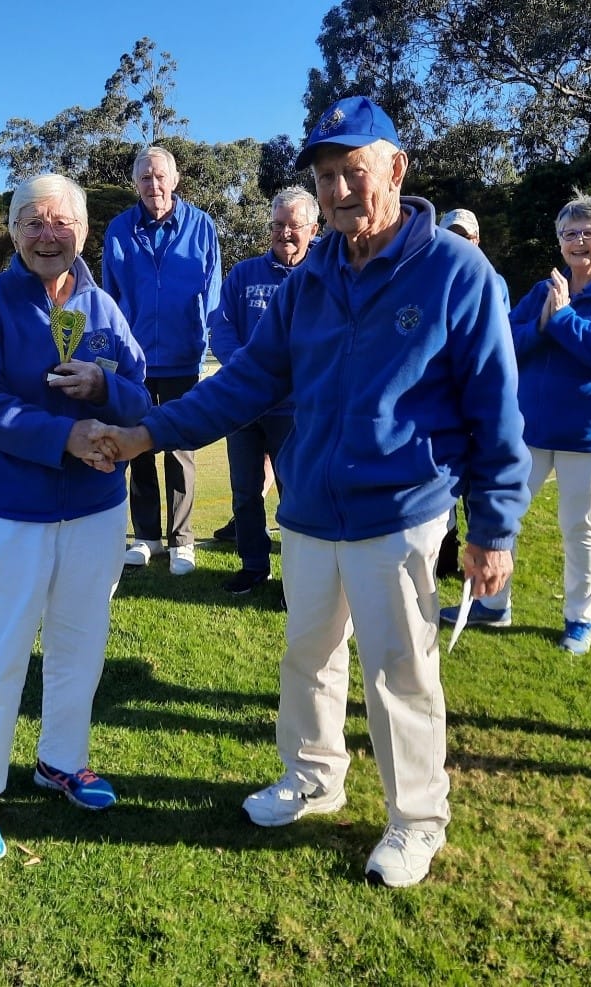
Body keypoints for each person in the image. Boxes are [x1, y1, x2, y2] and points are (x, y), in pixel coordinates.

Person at [84, 97, 530, 887]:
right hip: (312, 508)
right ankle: (314, 776)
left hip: (400, 509)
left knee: (400, 671)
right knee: (308, 655)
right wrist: (146, 432)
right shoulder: (312, 274)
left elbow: (496, 407)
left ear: (394, 168)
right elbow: (247, 381)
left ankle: (417, 817)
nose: (336, 190)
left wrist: (493, 527)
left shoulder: (456, 271)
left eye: (351, 171)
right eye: (325, 176)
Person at [0, 173, 150, 863]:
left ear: (83, 229)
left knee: (79, 645)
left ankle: (61, 759)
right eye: (31, 220)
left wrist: (105, 386)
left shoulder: (105, 308)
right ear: (12, 233)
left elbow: (139, 394)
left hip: (94, 509)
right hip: (5, 510)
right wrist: (61, 434)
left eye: (59, 219)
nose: (46, 232)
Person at [442, 194, 591, 653]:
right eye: (569, 234)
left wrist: (564, 320)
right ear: (559, 243)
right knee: (502, 520)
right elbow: (507, 345)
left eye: (588, 232)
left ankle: (579, 619)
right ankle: (493, 606)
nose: (578, 242)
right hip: (529, 431)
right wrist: (542, 323)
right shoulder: (544, 290)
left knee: (582, 529)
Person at [102, 146, 222, 575]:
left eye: (159, 177)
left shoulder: (203, 226)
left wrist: (207, 348)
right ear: (135, 183)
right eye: (145, 178)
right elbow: (110, 300)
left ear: (174, 180)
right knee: (138, 452)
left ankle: (182, 541)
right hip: (135, 363)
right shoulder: (118, 229)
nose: (153, 185)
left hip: (184, 359)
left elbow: (213, 293)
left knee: (180, 451)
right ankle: (147, 536)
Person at [209, 186, 319, 594]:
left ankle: (298, 573)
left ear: (312, 228)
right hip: (243, 404)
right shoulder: (244, 274)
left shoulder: (323, 274)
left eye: (293, 226)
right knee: (245, 492)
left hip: (295, 407)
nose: (285, 233)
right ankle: (254, 565)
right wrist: (247, 370)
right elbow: (221, 328)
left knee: (295, 494)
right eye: (277, 225)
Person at [433, 208, 509, 577]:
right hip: (442, 406)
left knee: (476, 487)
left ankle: (482, 550)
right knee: (440, 487)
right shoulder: (429, 279)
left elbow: (499, 351)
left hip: (475, 407)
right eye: (452, 235)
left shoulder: (493, 283)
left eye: (466, 237)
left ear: (477, 240)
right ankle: (445, 557)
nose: (459, 243)